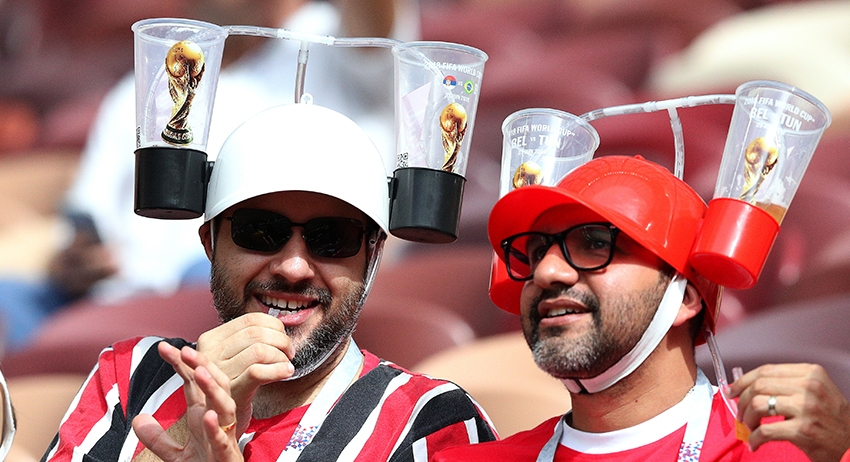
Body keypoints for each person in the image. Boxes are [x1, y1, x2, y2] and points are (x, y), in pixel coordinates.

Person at [41, 102, 497, 461]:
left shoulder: (431, 422)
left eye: (331, 238)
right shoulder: (130, 375)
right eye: (260, 232)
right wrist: (184, 440)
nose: (293, 267)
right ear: (210, 243)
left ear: (373, 255)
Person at [0, 0, 419, 352]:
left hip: (241, 278)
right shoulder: (148, 79)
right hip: (118, 289)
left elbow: (374, 21)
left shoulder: (327, 40)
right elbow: (84, 219)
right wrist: (75, 262)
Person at [432, 154, 850, 461]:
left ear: (684, 297)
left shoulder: (793, 448)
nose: (546, 272)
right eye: (538, 251)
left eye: (595, 243)